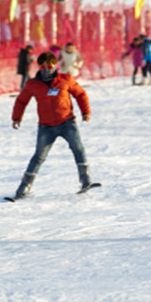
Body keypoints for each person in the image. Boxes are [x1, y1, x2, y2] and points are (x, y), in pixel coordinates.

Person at [8, 51, 96, 200]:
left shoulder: (65, 79)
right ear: (39, 67)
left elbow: (80, 94)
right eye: (43, 66)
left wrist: (85, 112)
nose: (47, 69)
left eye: (50, 66)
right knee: (39, 157)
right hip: (46, 127)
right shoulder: (32, 84)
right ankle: (24, 187)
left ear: (56, 65)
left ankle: (85, 180)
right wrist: (17, 117)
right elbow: (22, 100)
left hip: (67, 122)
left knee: (78, 148)